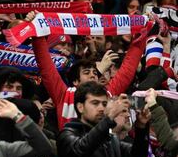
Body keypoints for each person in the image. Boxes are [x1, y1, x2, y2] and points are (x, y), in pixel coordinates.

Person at [26, 10, 154, 130]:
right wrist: (37, 32)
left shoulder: (107, 93)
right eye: (87, 73)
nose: (93, 75)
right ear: (75, 82)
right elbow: (46, 68)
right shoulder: (63, 95)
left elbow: (128, 69)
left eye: (95, 72)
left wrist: (140, 32)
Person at [56, 81, 149, 157]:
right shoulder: (67, 134)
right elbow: (80, 150)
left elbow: (137, 156)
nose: (101, 108)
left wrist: (141, 127)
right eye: (95, 103)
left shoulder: (110, 139)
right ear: (80, 107)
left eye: (104, 104)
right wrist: (110, 117)